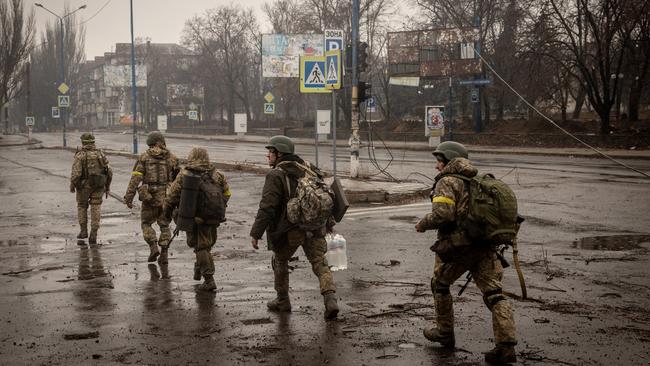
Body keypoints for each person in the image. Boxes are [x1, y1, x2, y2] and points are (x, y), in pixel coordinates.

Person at [415, 141, 517, 364]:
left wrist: (422, 224)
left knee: (440, 284)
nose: (436, 166)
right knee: (494, 293)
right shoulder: (478, 180)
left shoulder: (447, 181)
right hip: (485, 246)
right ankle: (506, 344)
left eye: (439, 161)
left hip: (459, 248)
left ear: (448, 161)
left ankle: (444, 333)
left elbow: (442, 215)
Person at [249, 135, 339, 320]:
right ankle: (330, 300)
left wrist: (256, 233)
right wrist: (329, 223)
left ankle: (282, 300)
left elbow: (267, 206)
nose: (268, 156)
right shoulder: (309, 169)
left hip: (290, 230)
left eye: (270, 152)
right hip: (315, 227)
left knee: (280, 261)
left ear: (279, 153)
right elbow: (323, 195)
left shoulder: (276, 175)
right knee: (320, 263)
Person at [163, 147, 231, 291]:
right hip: (214, 217)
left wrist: (168, 214)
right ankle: (199, 268)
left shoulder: (185, 174)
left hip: (195, 218)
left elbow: (171, 197)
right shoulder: (217, 174)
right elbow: (227, 193)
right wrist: (219, 206)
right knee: (206, 245)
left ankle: (209, 280)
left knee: (200, 247)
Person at [123, 131, 179, 264]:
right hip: (167, 197)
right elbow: (179, 180)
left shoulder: (144, 157)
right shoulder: (172, 158)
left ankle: (153, 246)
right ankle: (164, 252)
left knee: (146, 223)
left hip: (150, 197)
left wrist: (129, 197)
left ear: (150, 143)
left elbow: (136, 178)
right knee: (164, 224)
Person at [70, 133, 113, 245]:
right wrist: (107, 186)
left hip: (83, 187)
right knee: (96, 207)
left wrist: (72, 185)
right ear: (93, 142)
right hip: (99, 185)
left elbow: (76, 173)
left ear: (83, 142)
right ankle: (94, 234)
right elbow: (109, 171)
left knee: (82, 206)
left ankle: (83, 231)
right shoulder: (101, 154)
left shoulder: (80, 155)